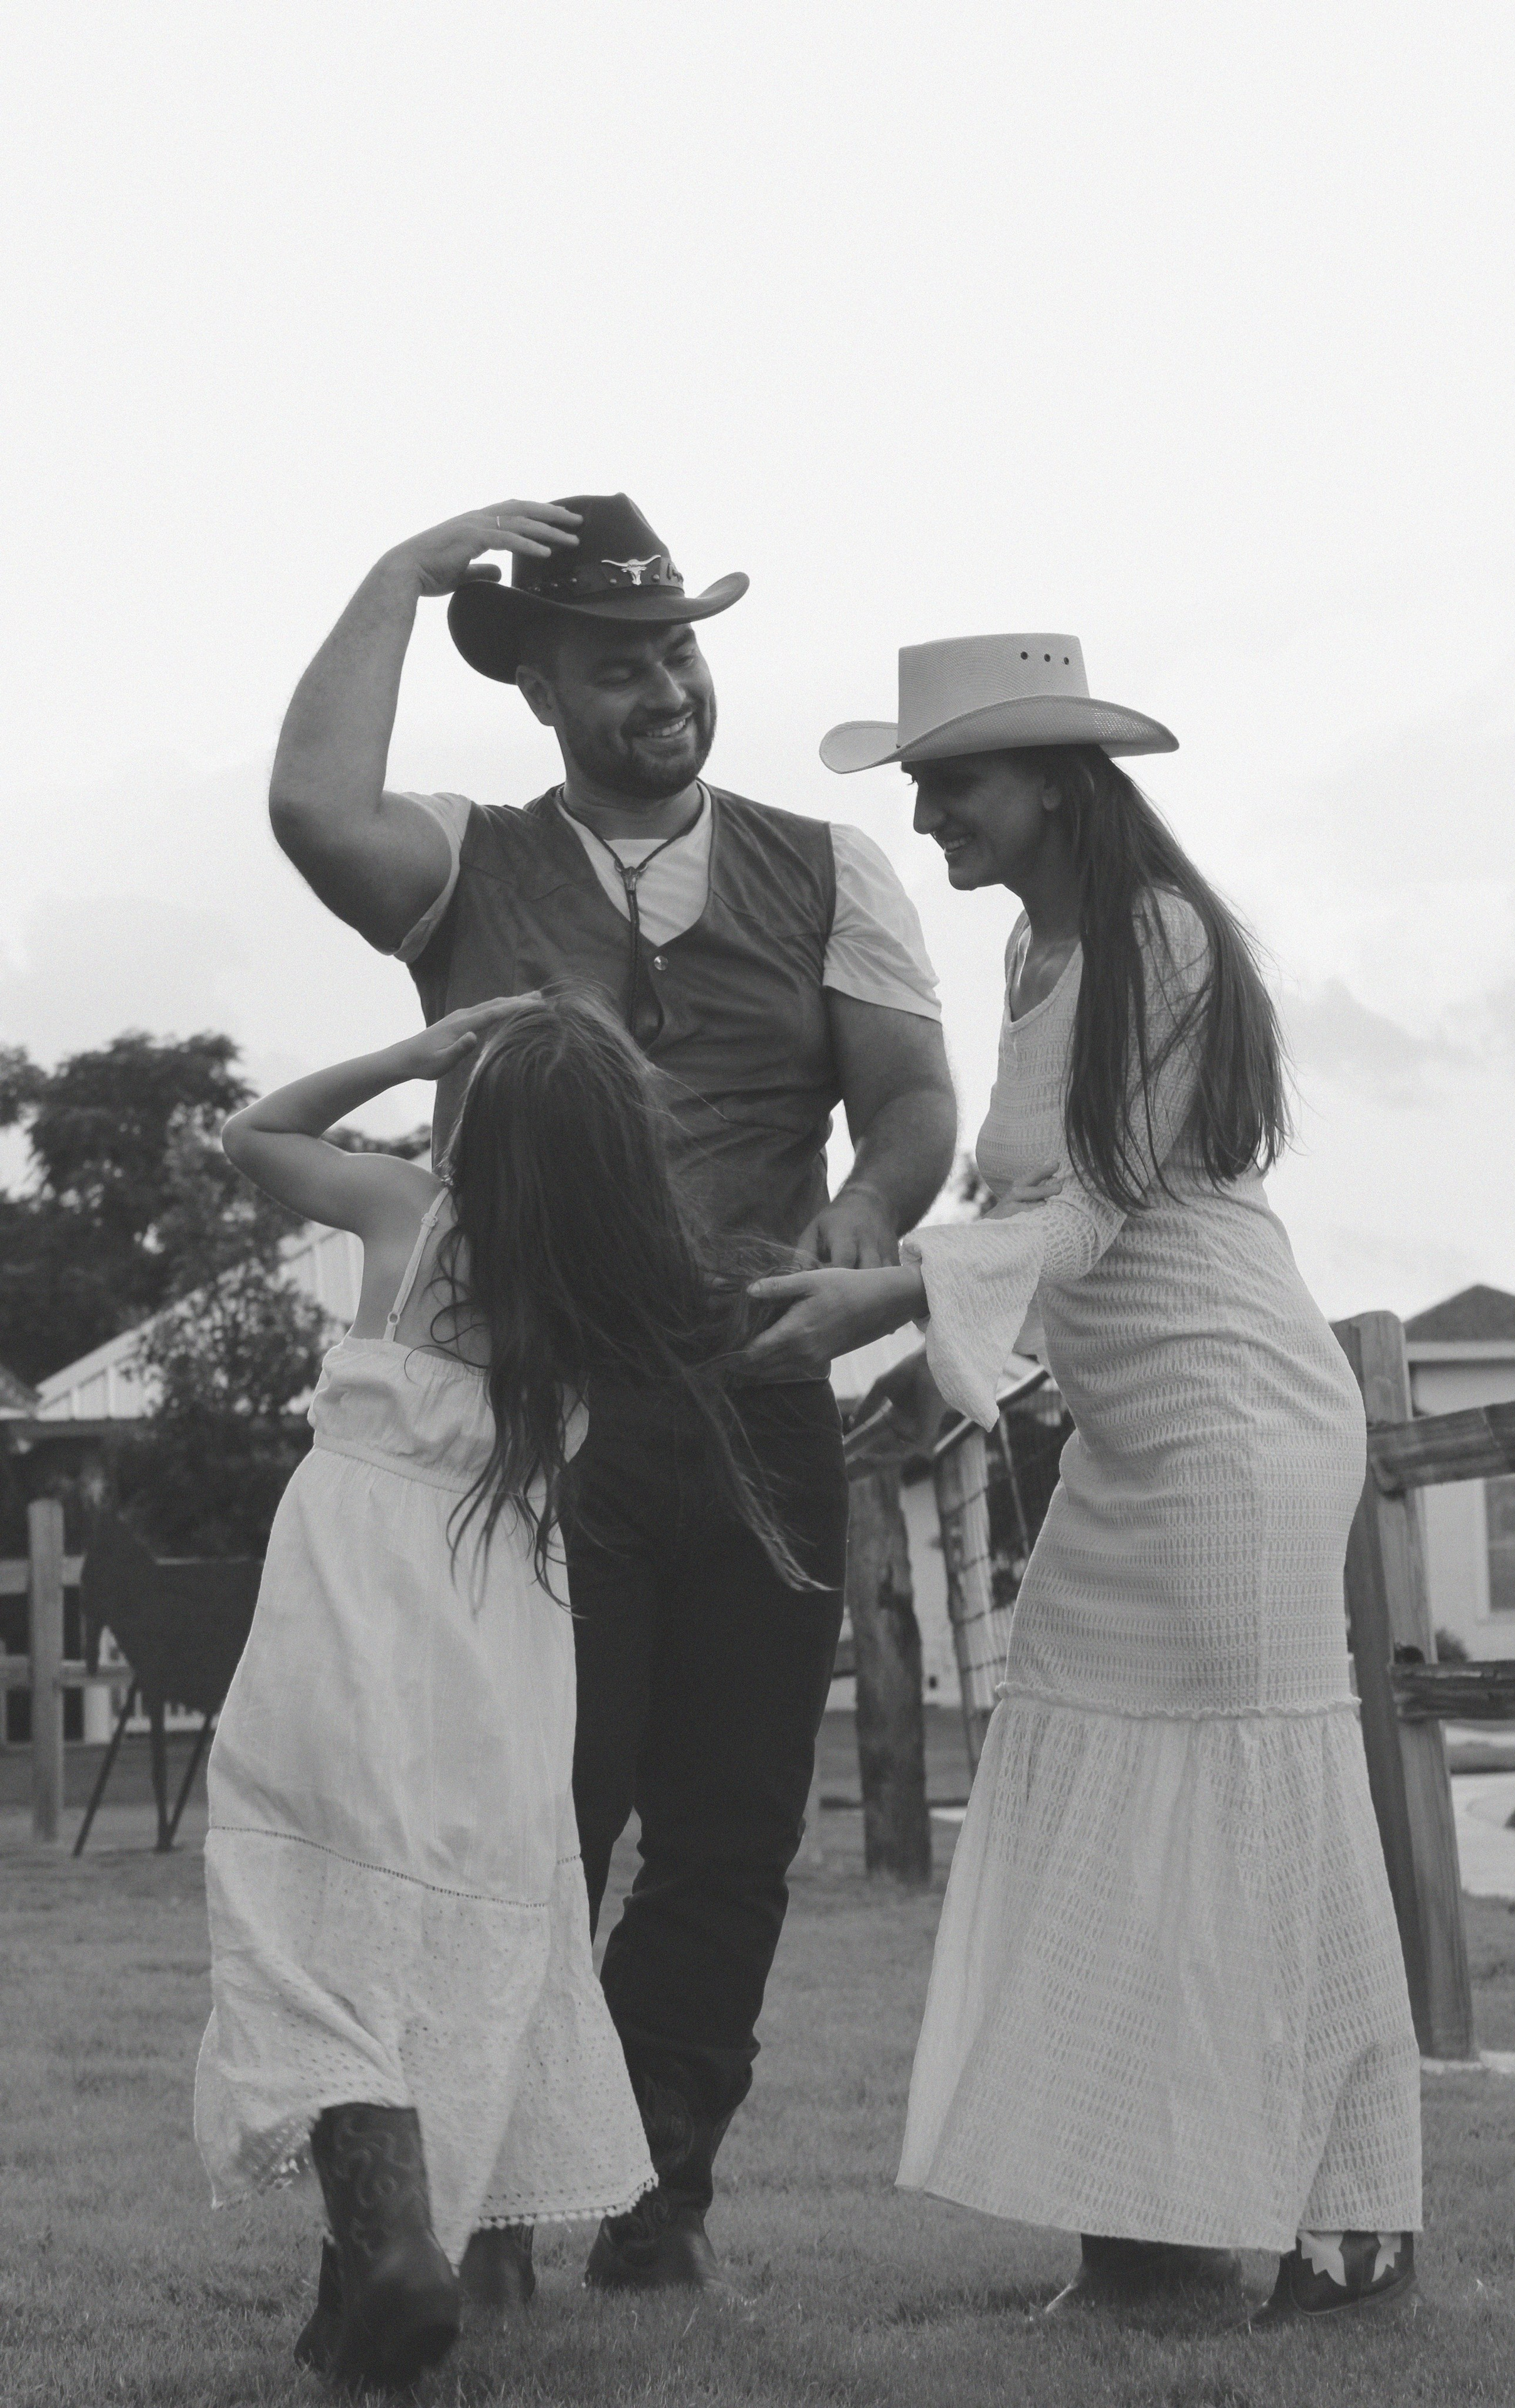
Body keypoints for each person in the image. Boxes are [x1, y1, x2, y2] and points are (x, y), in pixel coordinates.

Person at [266, 494, 956, 2295]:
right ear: (547, 689)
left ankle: (656, 2197)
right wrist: (407, 575)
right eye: (622, 662)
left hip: (759, 1405)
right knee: (533, 1819)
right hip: (535, 1427)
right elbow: (309, 810)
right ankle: (484, 2196)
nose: (666, 686)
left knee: (730, 1836)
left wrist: (868, 1218)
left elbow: (906, 1102)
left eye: (681, 650)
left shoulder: (831, 865)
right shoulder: (459, 861)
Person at [740, 635, 1423, 2326]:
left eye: (948, 778)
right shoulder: (1040, 948)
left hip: (1235, 1420)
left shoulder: (1159, 939)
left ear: (1049, 778)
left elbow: (1095, 1216)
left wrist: (890, 1295)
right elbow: (1029, 1224)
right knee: (1112, 1806)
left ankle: (1321, 2235)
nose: (926, 810)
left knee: (1240, 1815)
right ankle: (1150, 2224)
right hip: (1136, 1431)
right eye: (916, 782)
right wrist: (898, 1328)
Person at [196, 990, 827, 2390]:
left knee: (303, 1916)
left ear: (471, 1122)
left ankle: (392, 2256)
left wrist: (412, 1053)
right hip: (503, 1644)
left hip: (348, 1606)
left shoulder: (405, 1212)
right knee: (439, 1944)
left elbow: (252, 1131)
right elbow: (780, 1333)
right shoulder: (626, 1296)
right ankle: (360, 2291)